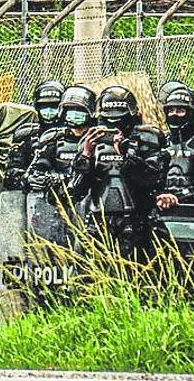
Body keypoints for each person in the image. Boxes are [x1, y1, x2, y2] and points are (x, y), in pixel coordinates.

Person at [69, 86, 168, 258]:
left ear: (132, 117)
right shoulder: (90, 141)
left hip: (138, 222)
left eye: (120, 121)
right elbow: (76, 191)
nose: (114, 127)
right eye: (108, 121)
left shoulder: (149, 139)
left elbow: (154, 180)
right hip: (98, 222)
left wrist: (127, 154)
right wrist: (86, 155)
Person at [4, 80, 64, 192]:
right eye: (44, 106)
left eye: (54, 106)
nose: (49, 111)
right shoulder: (28, 135)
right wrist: (27, 179)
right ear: (37, 108)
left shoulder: (75, 134)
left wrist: (60, 178)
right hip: (35, 197)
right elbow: (10, 176)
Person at [156, 82, 194, 212]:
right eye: (171, 110)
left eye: (180, 110)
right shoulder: (158, 141)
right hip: (160, 207)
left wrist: (178, 196)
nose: (174, 114)